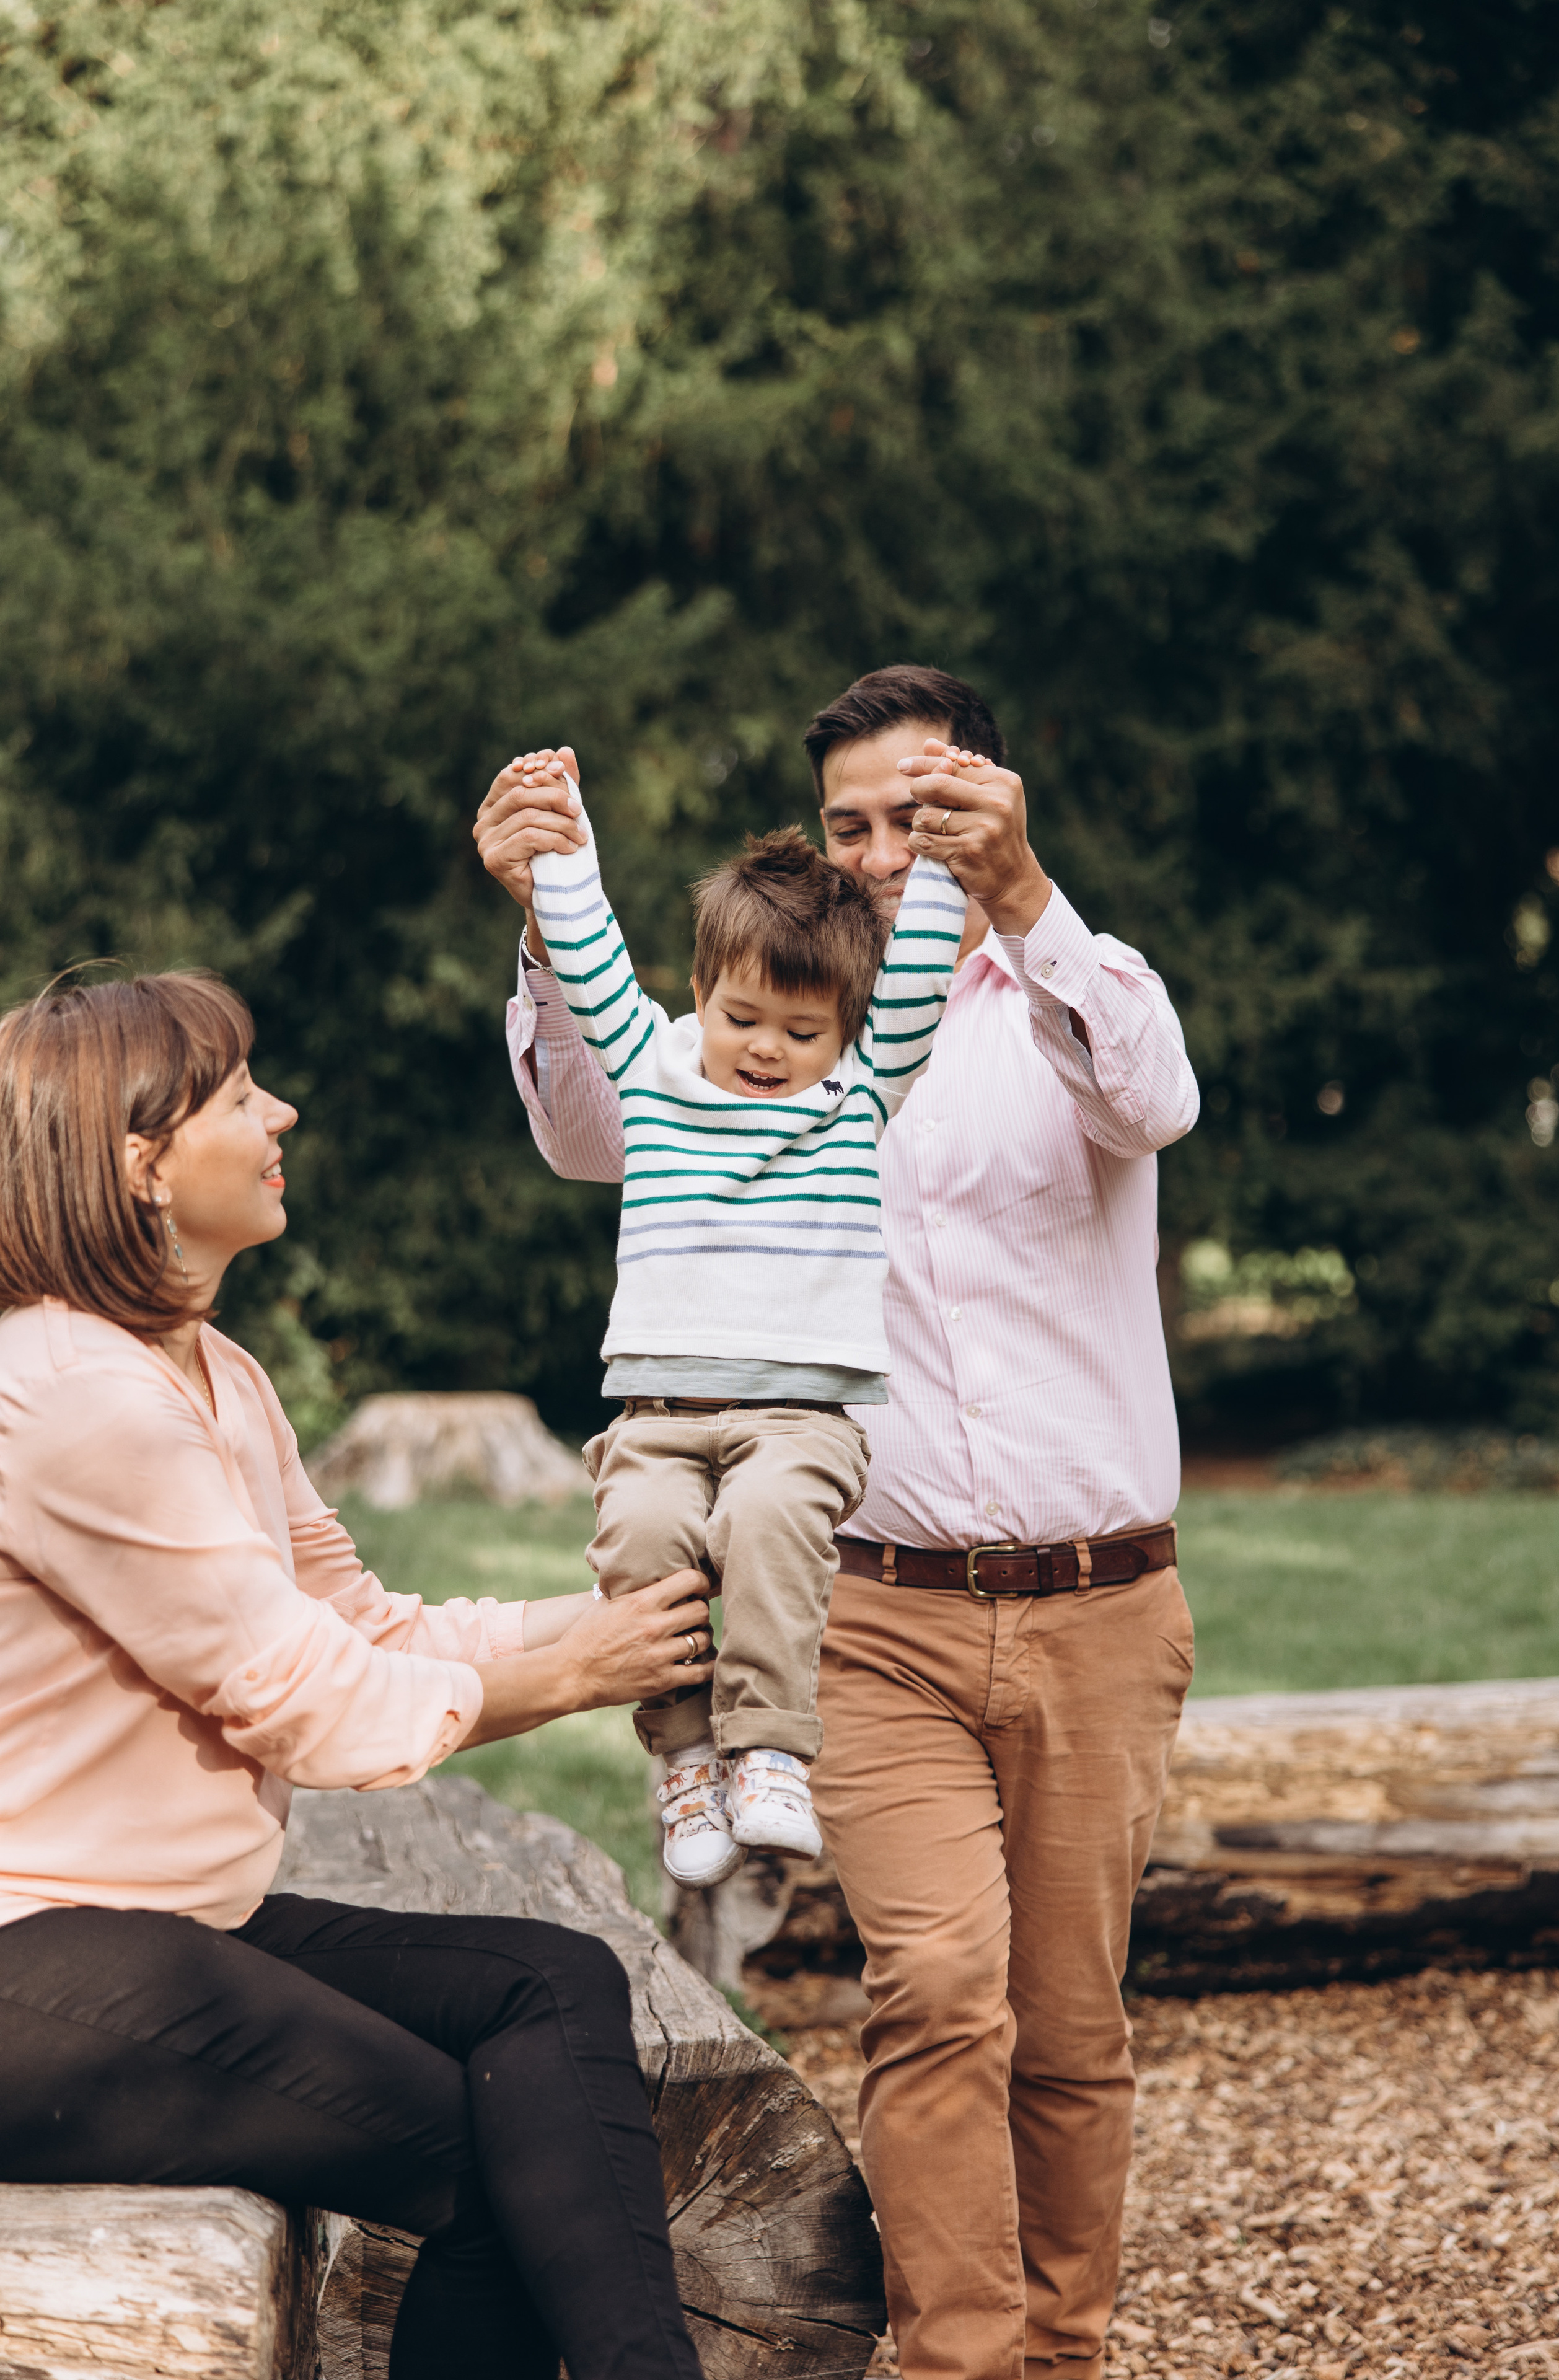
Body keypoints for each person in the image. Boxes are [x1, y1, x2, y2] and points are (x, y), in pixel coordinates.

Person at [474, 665, 1200, 2380]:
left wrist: (1023, 902)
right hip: (866, 1604)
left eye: (918, 817)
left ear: (991, 810)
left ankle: (1064, 2349)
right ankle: (958, 2363)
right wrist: (540, 924)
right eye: (853, 825)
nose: (882, 852)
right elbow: (596, 1132)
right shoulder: (770, 1035)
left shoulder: (1075, 1002)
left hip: (1102, 1603)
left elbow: (1154, 1099)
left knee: (1074, 2030)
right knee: (941, 1992)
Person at [0, 969, 717, 2380]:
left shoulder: (211, 1372)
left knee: (547, 1984)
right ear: (142, 1162)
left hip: (158, 1926)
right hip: (33, 1957)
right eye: (236, 1094)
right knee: (479, 2156)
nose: (282, 1112)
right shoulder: (70, 1393)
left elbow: (364, 1628)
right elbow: (302, 1698)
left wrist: (600, 1621)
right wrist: (571, 1679)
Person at [523, 767, 965, 1887]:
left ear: (849, 1033)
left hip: (801, 1415)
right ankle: (685, 1761)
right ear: (700, 991)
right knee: (639, 1547)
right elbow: (588, 958)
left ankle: (768, 1747)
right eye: (743, 1018)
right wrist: (565, 844)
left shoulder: (863, 1092)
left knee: (772, 1525)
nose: (768, 1049)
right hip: (659, 1410)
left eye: (803, 1031)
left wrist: (951, 854)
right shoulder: (652, 1065)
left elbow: (915, 978)